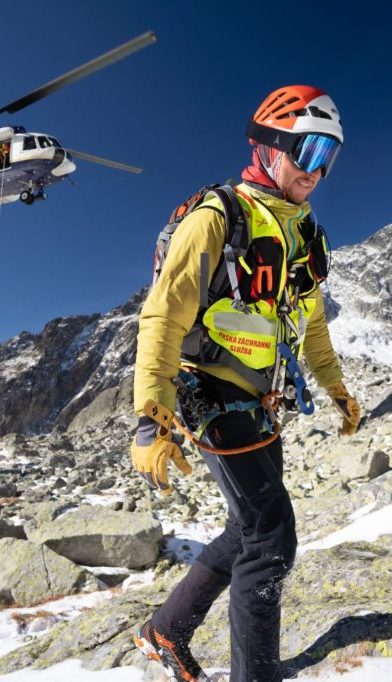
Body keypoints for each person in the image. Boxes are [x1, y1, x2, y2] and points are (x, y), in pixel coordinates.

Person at [130, 85, 362, 682]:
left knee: (246, 524)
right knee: (270, 535)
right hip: (207, 392)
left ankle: (165, 631)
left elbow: (311, 325)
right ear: (270, 146)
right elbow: (163, 315)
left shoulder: (303, 235)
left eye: (329, 157)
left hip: (260, 399)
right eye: (310, 152)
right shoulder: (218, 217)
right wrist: (150, 418)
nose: (317, 171)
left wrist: (336, 389)